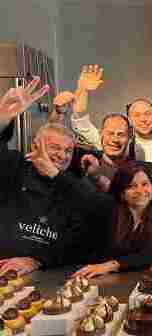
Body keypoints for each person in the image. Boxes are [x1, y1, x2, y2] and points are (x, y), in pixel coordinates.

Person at [0, 76, 93, 276]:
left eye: (68, 151)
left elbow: (82, 239)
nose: (62, 155)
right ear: (35, 145)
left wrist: (37, 260)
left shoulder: (72, 186)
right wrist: (2, 118)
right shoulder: (13, 166)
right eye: (54, 148)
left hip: (46, 276)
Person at [69, 164, 152, 278]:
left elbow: (150, 254)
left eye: (144, 184)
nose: (140, 190)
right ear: (122, 193)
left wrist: (112, 265)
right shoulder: (108, 208)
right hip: (92, 275)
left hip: (130, 277)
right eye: (131, 186)